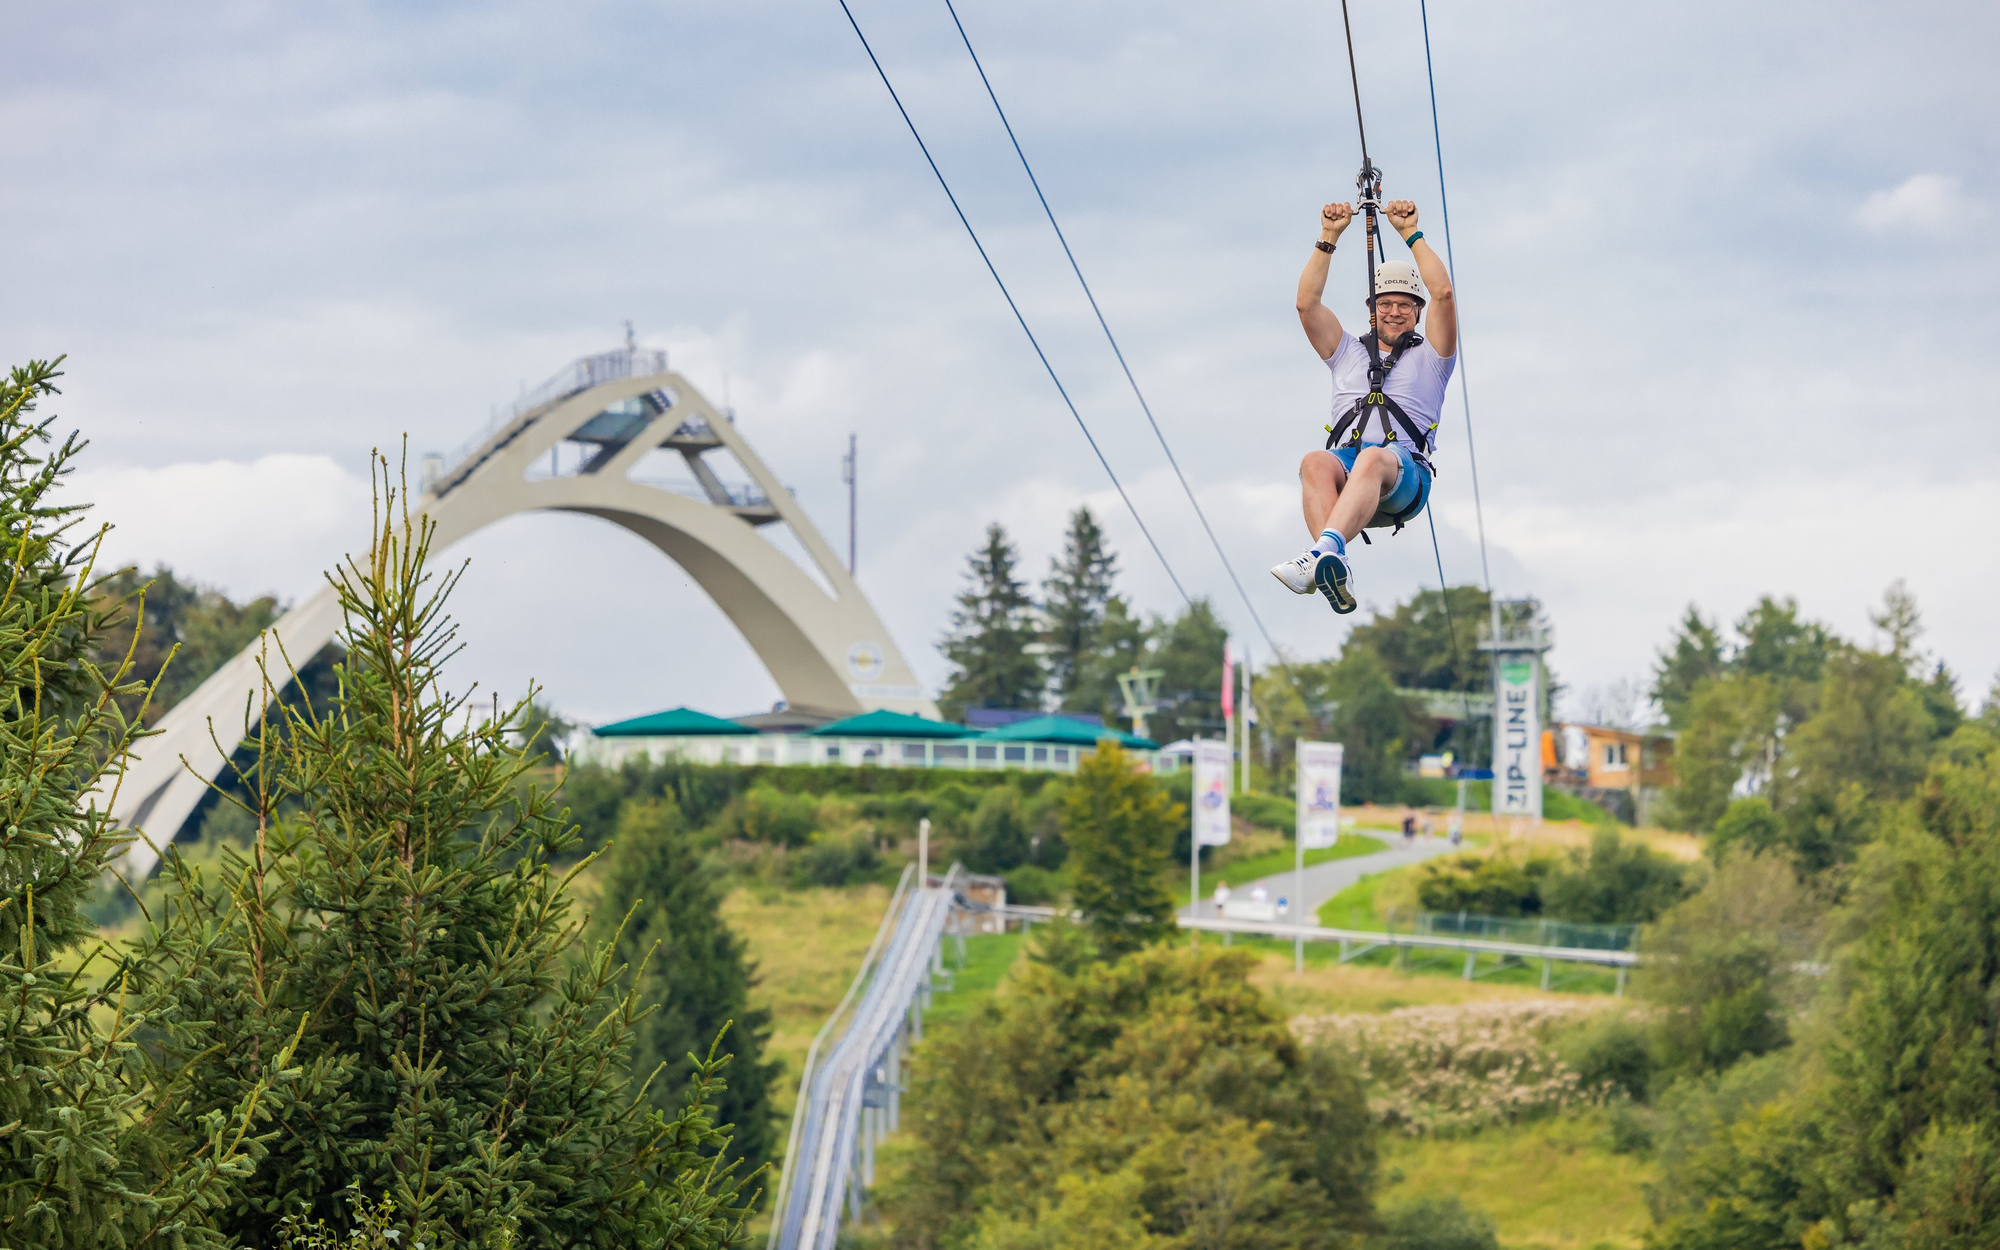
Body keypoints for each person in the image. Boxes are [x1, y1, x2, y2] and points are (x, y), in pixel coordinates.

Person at [1272, 197, 1458, 614]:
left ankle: (1322, 552)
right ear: (1372, 311)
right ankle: (1331, 560)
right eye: (1385, 304)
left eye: (1405, 306)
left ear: (1417, 312)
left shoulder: (1433, 357)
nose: (1394, 313)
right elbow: (1306, 305)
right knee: (1315, 461)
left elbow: (1443, 294)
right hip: (1349, 476)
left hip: (1403, 475)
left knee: (1374, 457)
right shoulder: (1347, 353)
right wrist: (1329, 236)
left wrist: (1410, 234)